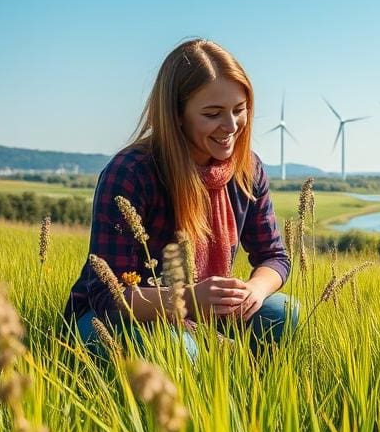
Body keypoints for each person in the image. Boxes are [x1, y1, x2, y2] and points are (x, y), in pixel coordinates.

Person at [65, 38, 297, 357]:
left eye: (239, 110)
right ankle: (207, 359)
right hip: (111, 319)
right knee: (181, 353)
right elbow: (109, 295)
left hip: (202, 309)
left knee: (283, 313)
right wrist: (188, 299)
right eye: (213, 114)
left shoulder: (247, 168)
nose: (231, 126)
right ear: (176, 114)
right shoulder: (130, 173)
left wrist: (255, 290)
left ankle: (244, 377)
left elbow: (275, 256)